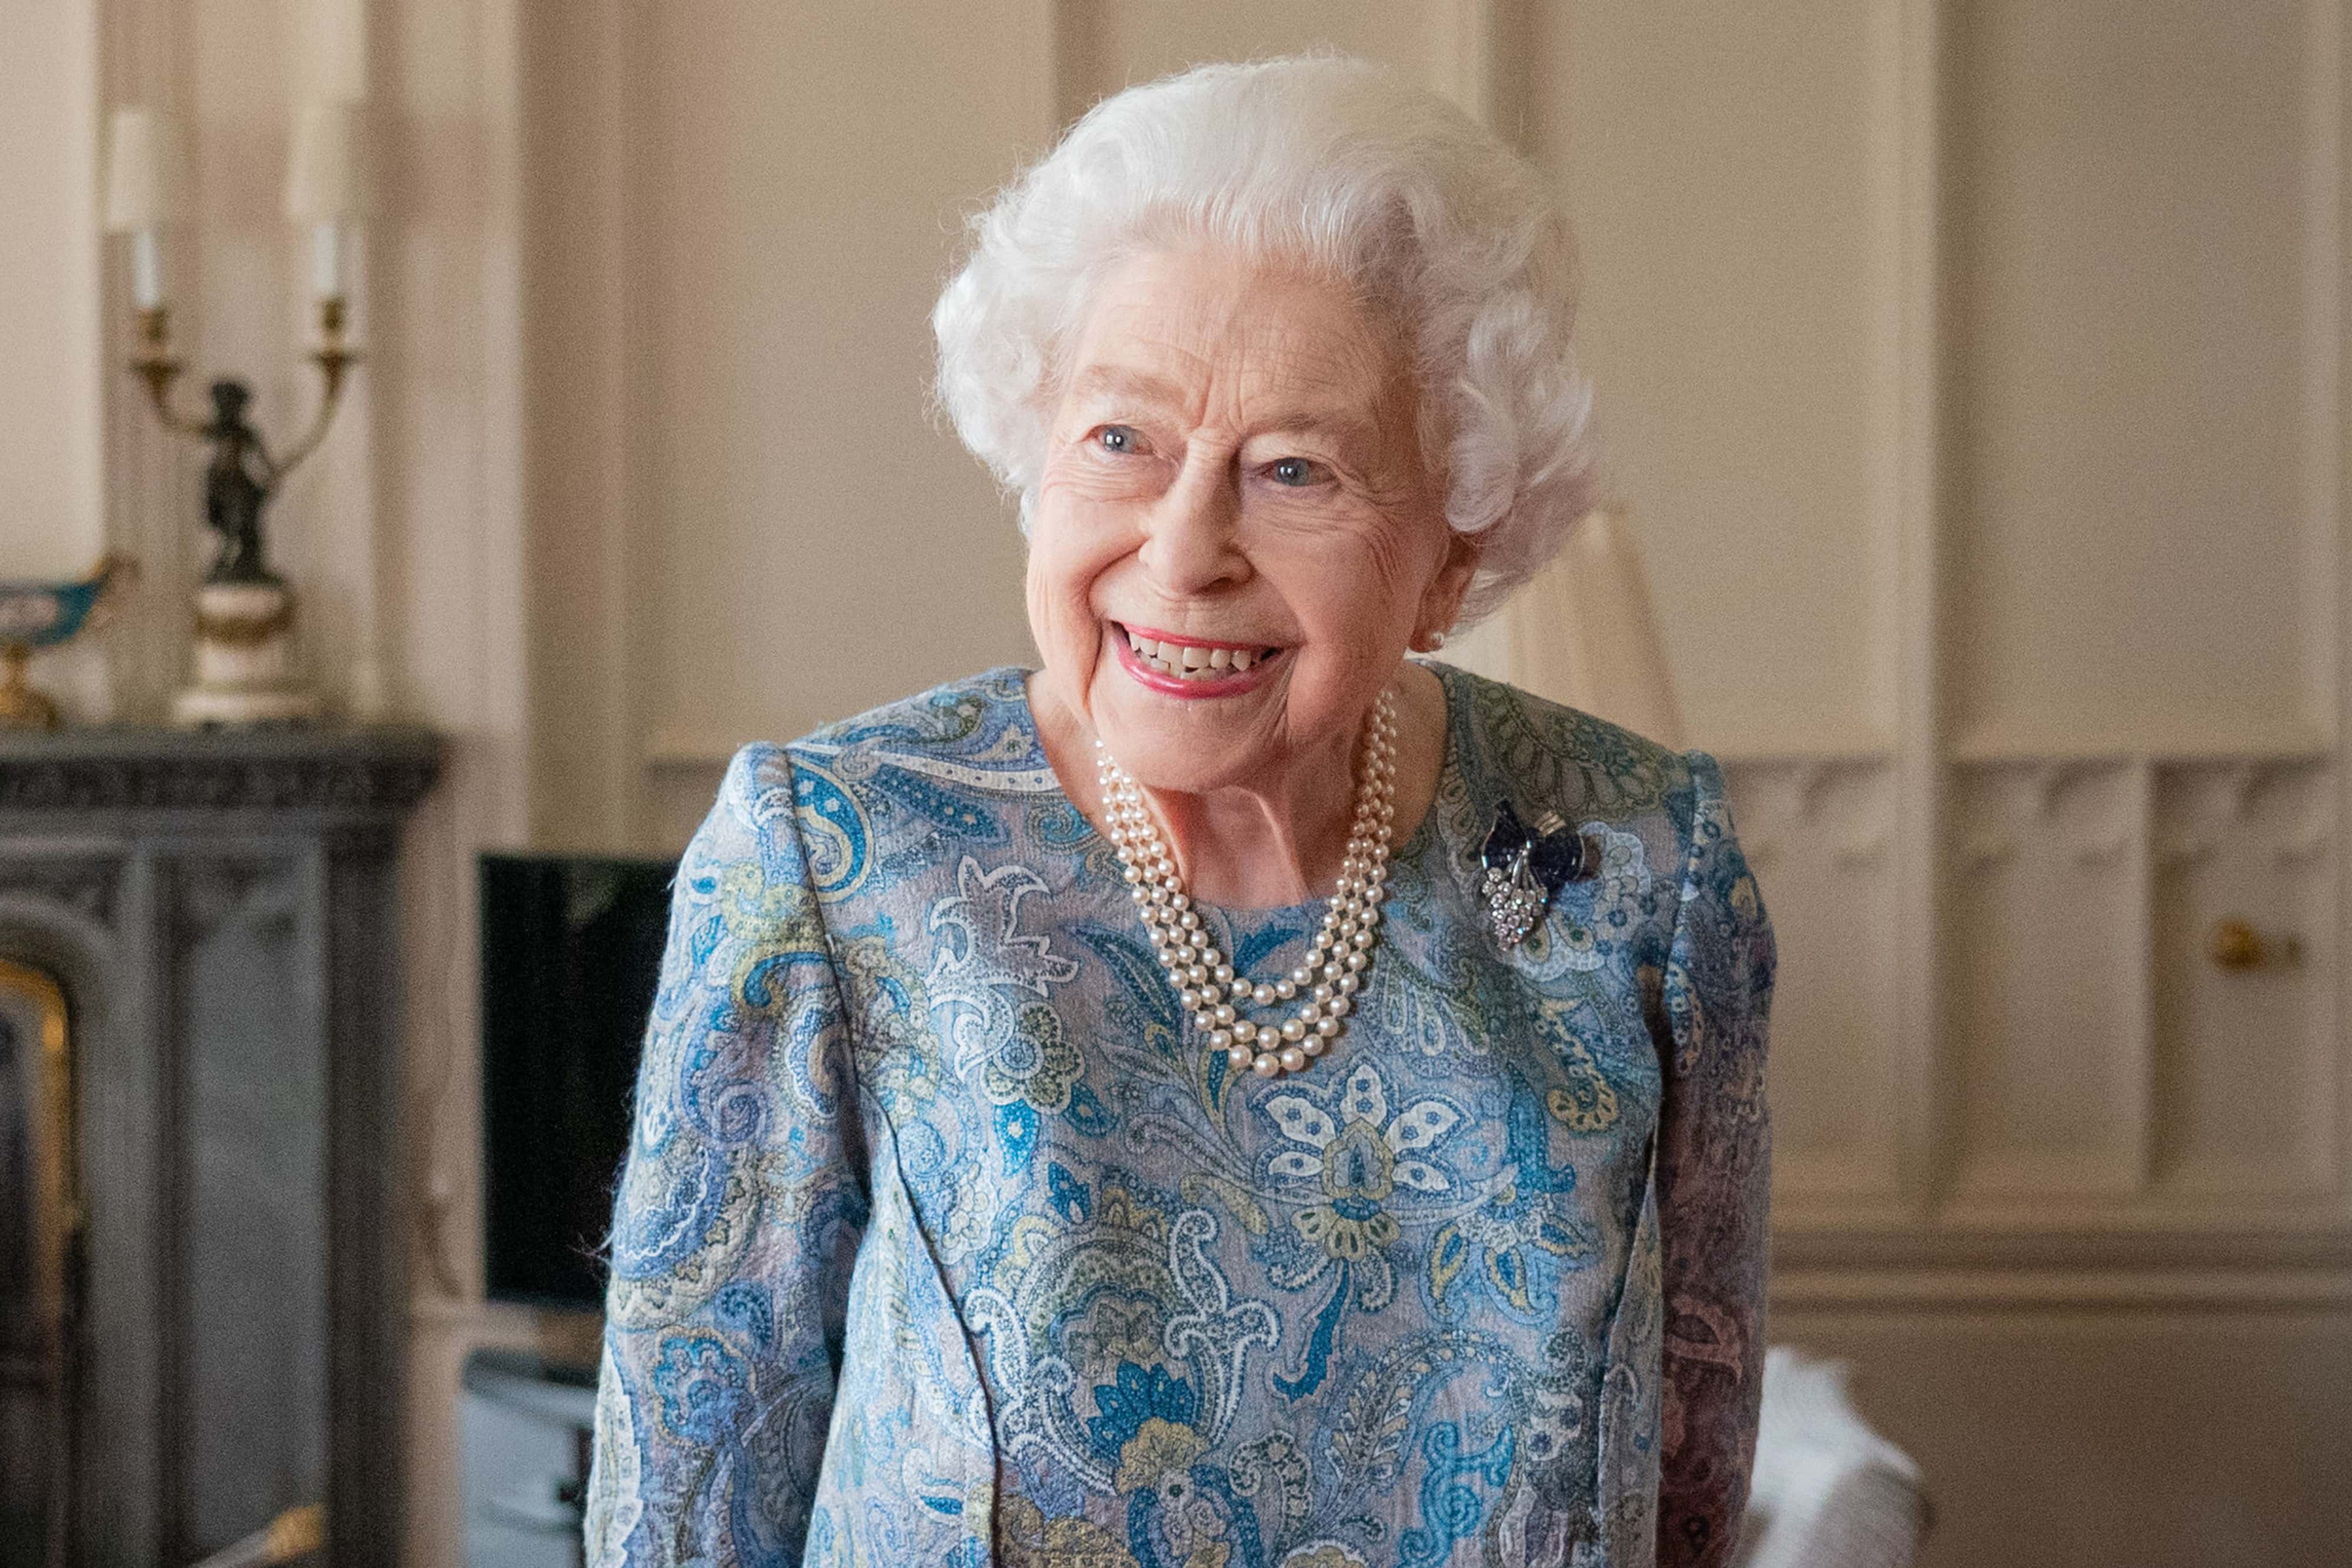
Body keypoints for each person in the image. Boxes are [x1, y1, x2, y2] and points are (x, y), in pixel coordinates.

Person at [586, 56, 1774, 1568]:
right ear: (1035, 455)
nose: (1184, 545)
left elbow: (1691, 1474)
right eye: (1121, 440)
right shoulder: (838, 858)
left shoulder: (1639, 864)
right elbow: (687, 1503)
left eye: (1296, 468)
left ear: (1454, 548)